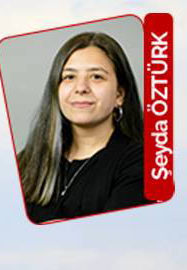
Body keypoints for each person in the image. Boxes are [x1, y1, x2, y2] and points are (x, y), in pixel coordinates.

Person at [16, 32, 147, 223]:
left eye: (96, 77)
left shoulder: (144, 163)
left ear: (119, 95)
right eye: (69, 77)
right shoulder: (27, 161)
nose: (81, 88)